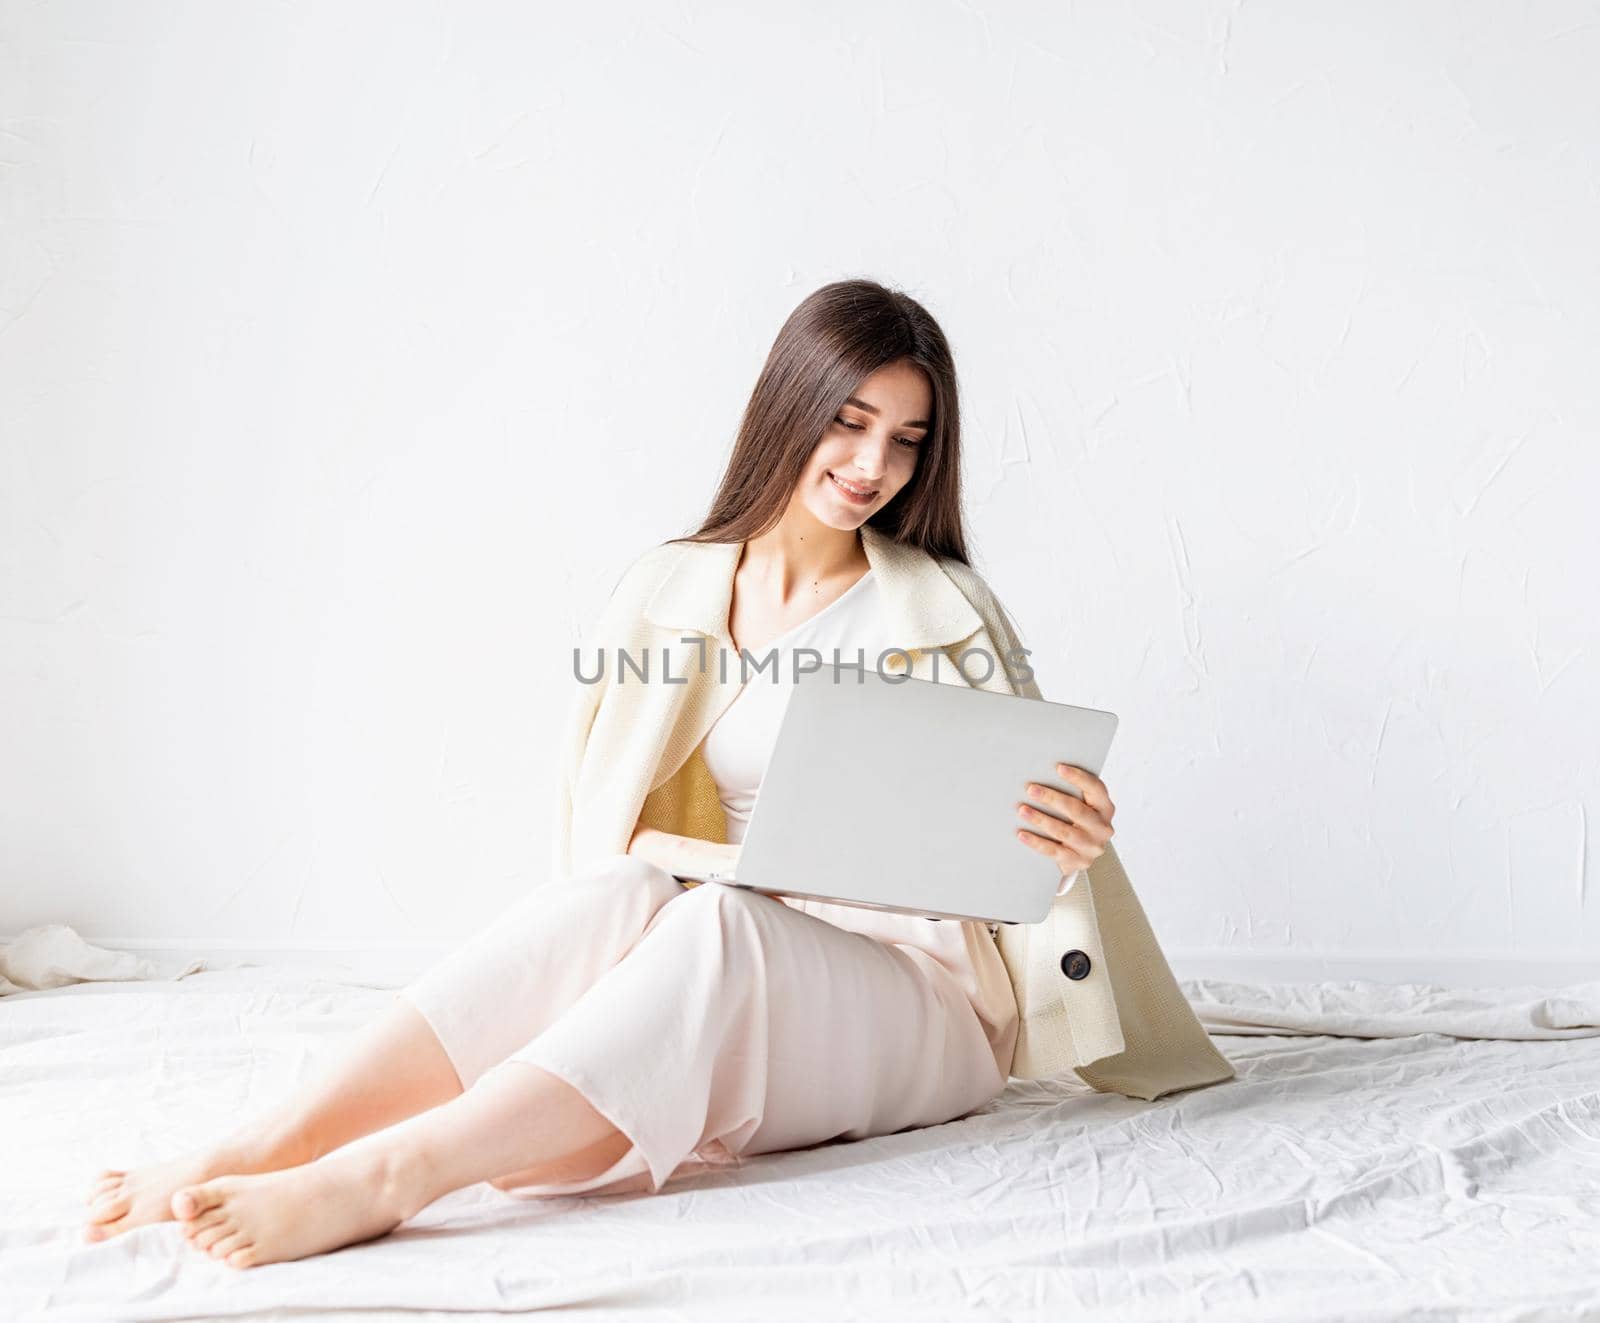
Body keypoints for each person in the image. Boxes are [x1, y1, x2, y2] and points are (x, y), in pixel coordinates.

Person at [81, 279, 1132, 1268]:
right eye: (848, 422)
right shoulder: (667, 589)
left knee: (721, 929)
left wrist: (1066, 840)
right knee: (629, 891)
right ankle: (262, 1144)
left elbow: (1024, 831)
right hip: (722, 922)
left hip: (918, 991)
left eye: (906, 441)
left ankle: (396, 1173)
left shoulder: (946, 609)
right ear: (790, 409)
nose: (873, 466)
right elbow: (597, 835)